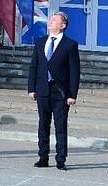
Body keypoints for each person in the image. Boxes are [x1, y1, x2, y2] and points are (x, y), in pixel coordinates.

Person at [28, 11, 81, 170]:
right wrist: (31, 88)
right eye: (50, 20)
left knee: (60, 126)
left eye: (54, 20)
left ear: (62, 25)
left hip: (60, 92)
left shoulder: (70, 45)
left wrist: (72, 94)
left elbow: (74, 71)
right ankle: (43, 157)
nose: (50, 22)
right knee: (43, 125)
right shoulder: (40, 42)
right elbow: (34, 66)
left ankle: (61, 159)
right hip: (43, 90)